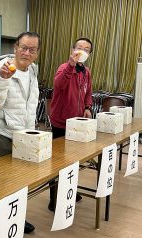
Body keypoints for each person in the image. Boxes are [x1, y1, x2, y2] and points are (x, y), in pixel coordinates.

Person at [0, 31, 41, 237]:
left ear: (37, 53)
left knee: (20, 181)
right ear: (15, 48)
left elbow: (30, 104)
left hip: (24, 134)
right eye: (23, 47)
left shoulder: (33, 71)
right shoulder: (1, 70)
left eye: (32, 50)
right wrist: (3, 79)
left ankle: (16, 217)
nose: (26, 53)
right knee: (0, 182)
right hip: (2, 133)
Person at [48, 37, 93, 212]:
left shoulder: (86, 71)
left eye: (87, 49)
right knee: (57, 163)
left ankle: (70, 191)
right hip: (61, 122)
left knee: (74, 161)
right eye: (79, 48)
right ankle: (54, 199)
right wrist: (70, 65)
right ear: (73, 50)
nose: (82, 51)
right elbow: (58, 85)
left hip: (78, 123)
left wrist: (88, 107)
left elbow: (88, 91)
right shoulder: (64, 68)